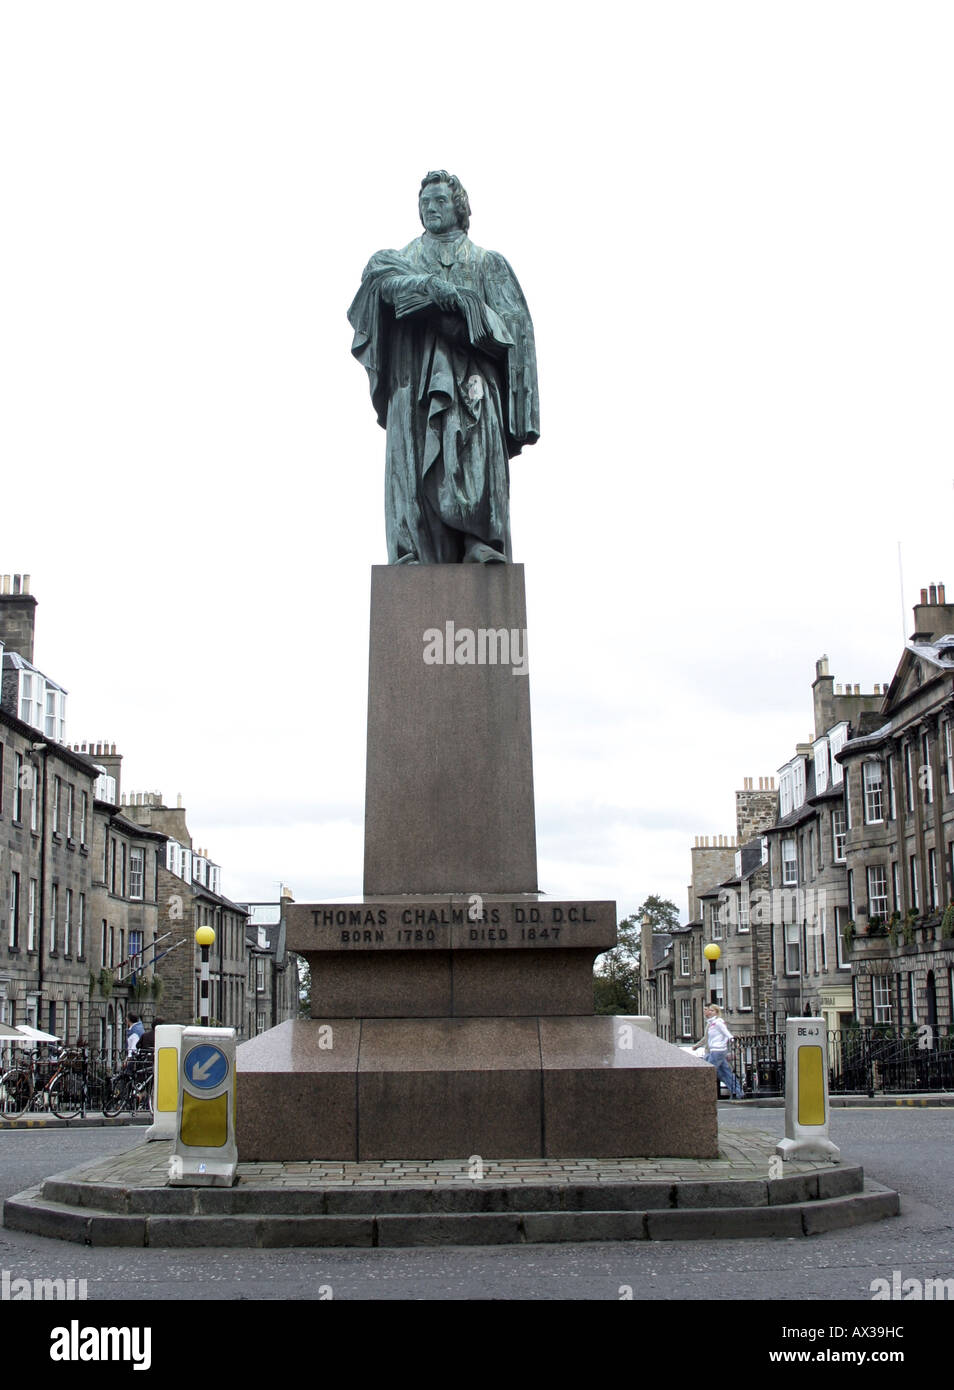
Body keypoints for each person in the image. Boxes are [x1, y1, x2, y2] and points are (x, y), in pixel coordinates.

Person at [348, 170, 539, 565]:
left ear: (460, 208)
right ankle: (414, 551)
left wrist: (469, 316)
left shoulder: (487, 263)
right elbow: (376, 287)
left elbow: (514, 330)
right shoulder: (402, 259)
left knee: (471, 457)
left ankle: (479, 542)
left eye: (439, 201)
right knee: (413, 465)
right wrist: (432, 293)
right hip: (414, 382)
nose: (430, 208)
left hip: (472, 383)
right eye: (424, 203)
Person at [697, 1004, 744, 1099]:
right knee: (725, 1072)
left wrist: (736, 1044)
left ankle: (701, 1094)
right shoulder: (711, 1023)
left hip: (718, 1051)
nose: (709, 1012)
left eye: (712, 1011)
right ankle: (738, 1092)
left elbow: (728, 1034)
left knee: (708, 1071)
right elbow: (707, 1038)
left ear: (717, 1013)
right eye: (709, 1010)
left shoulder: (719, 1022)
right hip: (715, 1051)